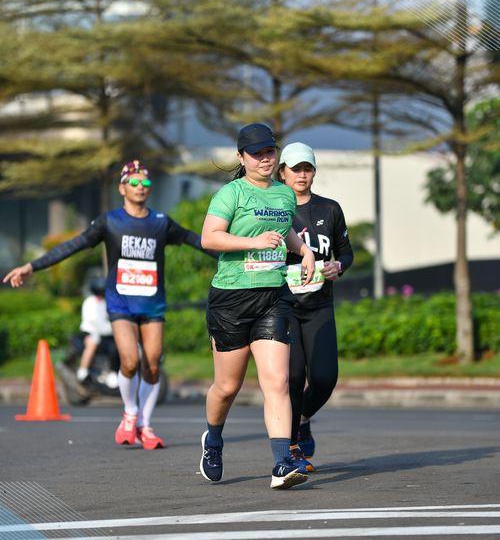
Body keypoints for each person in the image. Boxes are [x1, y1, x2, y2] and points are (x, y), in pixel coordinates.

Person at [3, 159, 215, 450]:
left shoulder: (160, 222)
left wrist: (239, 253)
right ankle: (130, 413)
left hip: (152, 304)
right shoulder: (110, 221)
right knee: (129, 361)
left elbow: (197, 241)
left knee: (153, 364)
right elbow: (72, 245)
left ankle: (145, 425)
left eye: (145, 182)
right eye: (134, 182)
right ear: (122, 188)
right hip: (121, 303)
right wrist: (32, 266)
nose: (140, 187)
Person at [199, 123, 316, 490]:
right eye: (257, 153)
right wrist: (252, 243)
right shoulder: (230, 194)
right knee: (226, 387)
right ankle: (213, 439)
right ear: (241, 157)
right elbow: (209, 238)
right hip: (231, 300)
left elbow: (285, 232)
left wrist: (304, 250)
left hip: (273, 297)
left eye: (270, 151)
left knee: (277, 382)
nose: (266, 159)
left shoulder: (284, 195)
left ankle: (281, 463)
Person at [277, 142, 354, 467]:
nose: (302, 175)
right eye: (295, 169)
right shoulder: (273, 209)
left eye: (307, 168)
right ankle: (292, 445)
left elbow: (345, 252)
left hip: (319, 305)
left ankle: (303, 417)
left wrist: (339, 265)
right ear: (282, 172)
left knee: (324, 378)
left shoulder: (330, 209)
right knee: (293, 377)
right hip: (283, 306)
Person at [77, 275, 118, 390]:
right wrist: (112, 329)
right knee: (93, 343)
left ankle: (111, 371)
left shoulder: (104, 303)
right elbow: (95, 322)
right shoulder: (90, 302)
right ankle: (83, 371)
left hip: (104, 333)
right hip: (90, 332)